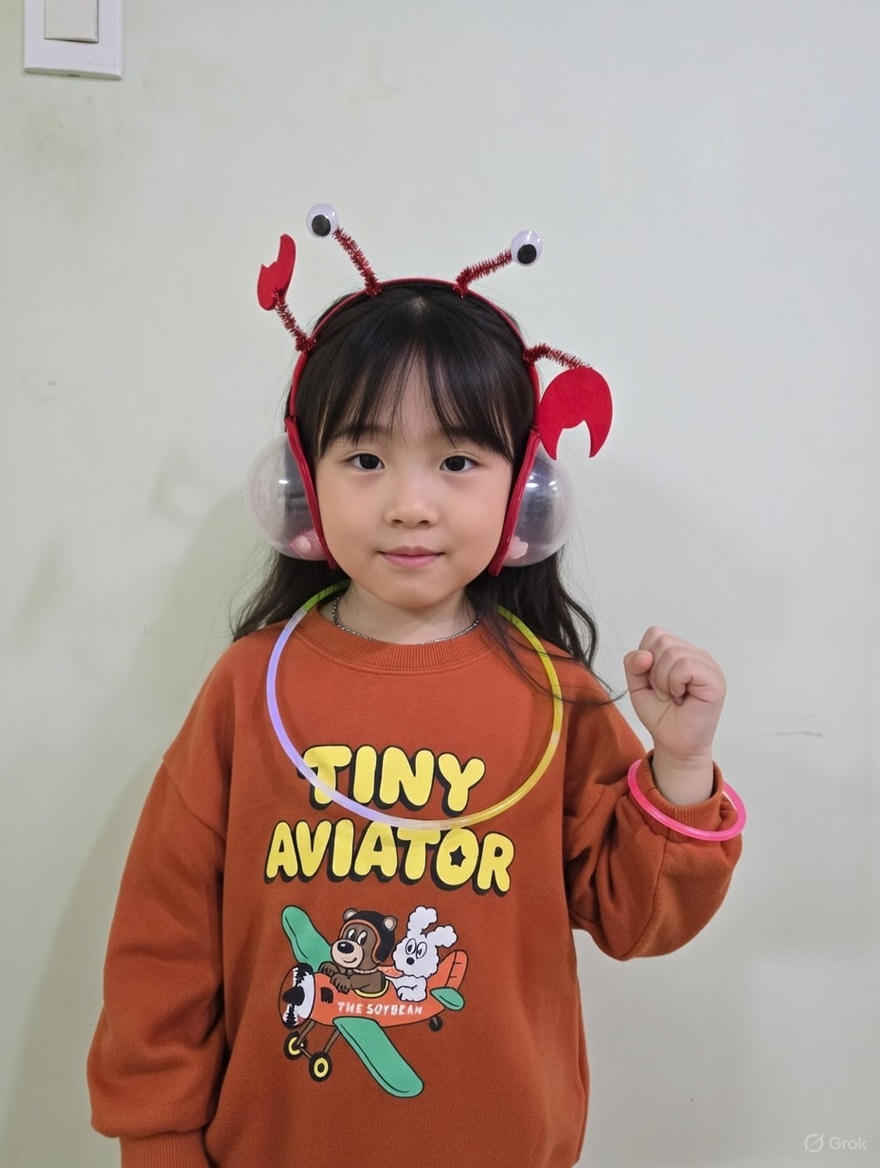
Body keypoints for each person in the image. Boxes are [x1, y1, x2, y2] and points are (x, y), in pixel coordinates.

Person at [88, 206, 744, 1168]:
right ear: (302, 481)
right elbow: (163, 941)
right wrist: (157, 1141)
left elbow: (636, 916)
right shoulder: (245, 688)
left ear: (522, 489)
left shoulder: (558, 697)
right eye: (364, 459)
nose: (410, 504)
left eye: (457, 461)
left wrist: (680, 767)